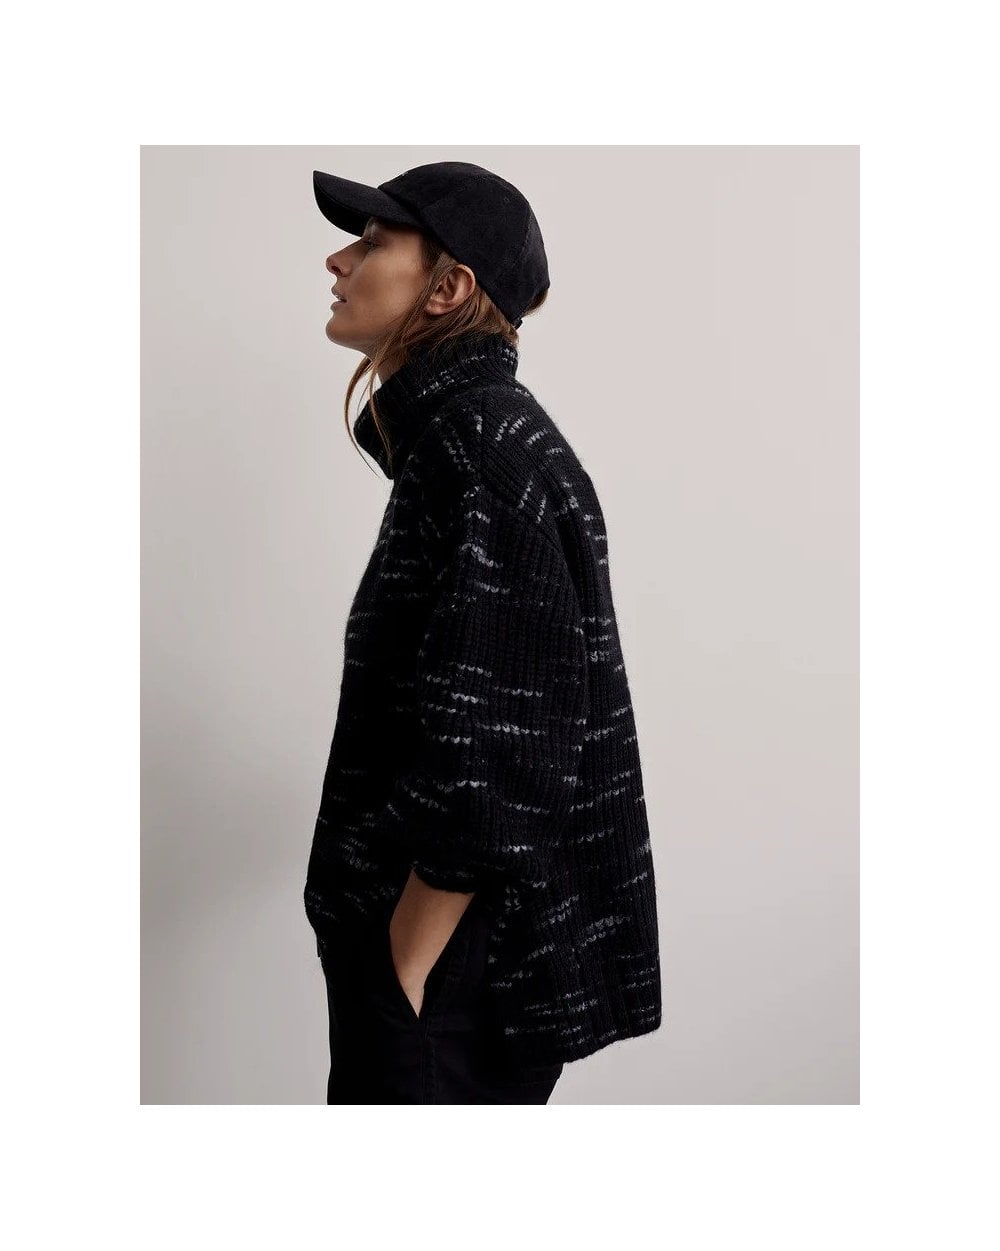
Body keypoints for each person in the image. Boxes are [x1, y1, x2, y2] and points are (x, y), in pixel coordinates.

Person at [304, 161, 662, 1104]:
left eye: (373, 241)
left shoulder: (478, 448)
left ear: (448, 287)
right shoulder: (474, 438)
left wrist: (402, 965)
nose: (339, 260)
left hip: (449, 975)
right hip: (454, 969)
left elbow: (501, 753)